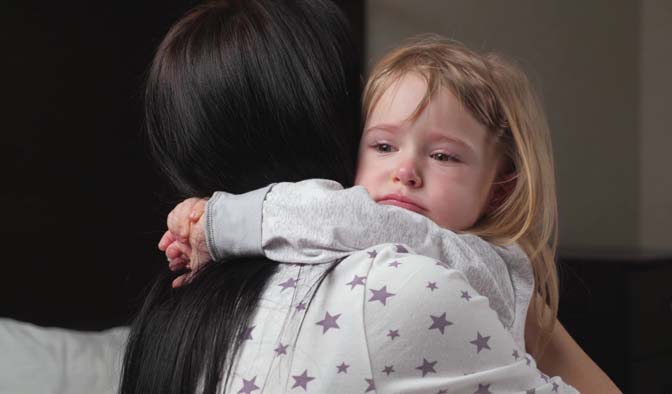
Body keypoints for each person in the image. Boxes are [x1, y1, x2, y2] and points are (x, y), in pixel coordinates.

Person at [123, 0, 578, 392]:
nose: (405, 172)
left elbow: (337, 217)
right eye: (382, 146)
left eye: (443, 156)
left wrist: (221, 223)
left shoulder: (432, 268)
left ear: (499, 190)